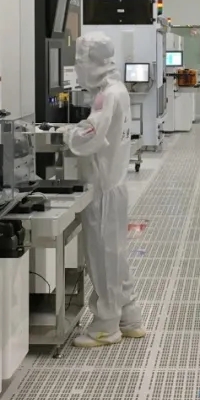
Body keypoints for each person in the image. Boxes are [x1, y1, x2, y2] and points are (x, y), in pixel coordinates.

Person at [61, 32, 145, 348]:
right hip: (115, 184)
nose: (78, 67)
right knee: (116, 255)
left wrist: (64, 135)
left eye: (80, 61)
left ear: (94, 61)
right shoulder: (116, 90)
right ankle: (129, 317)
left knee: (103, 258)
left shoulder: (106, 95)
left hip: (103, 187)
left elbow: (91, 136)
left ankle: (105, 326)